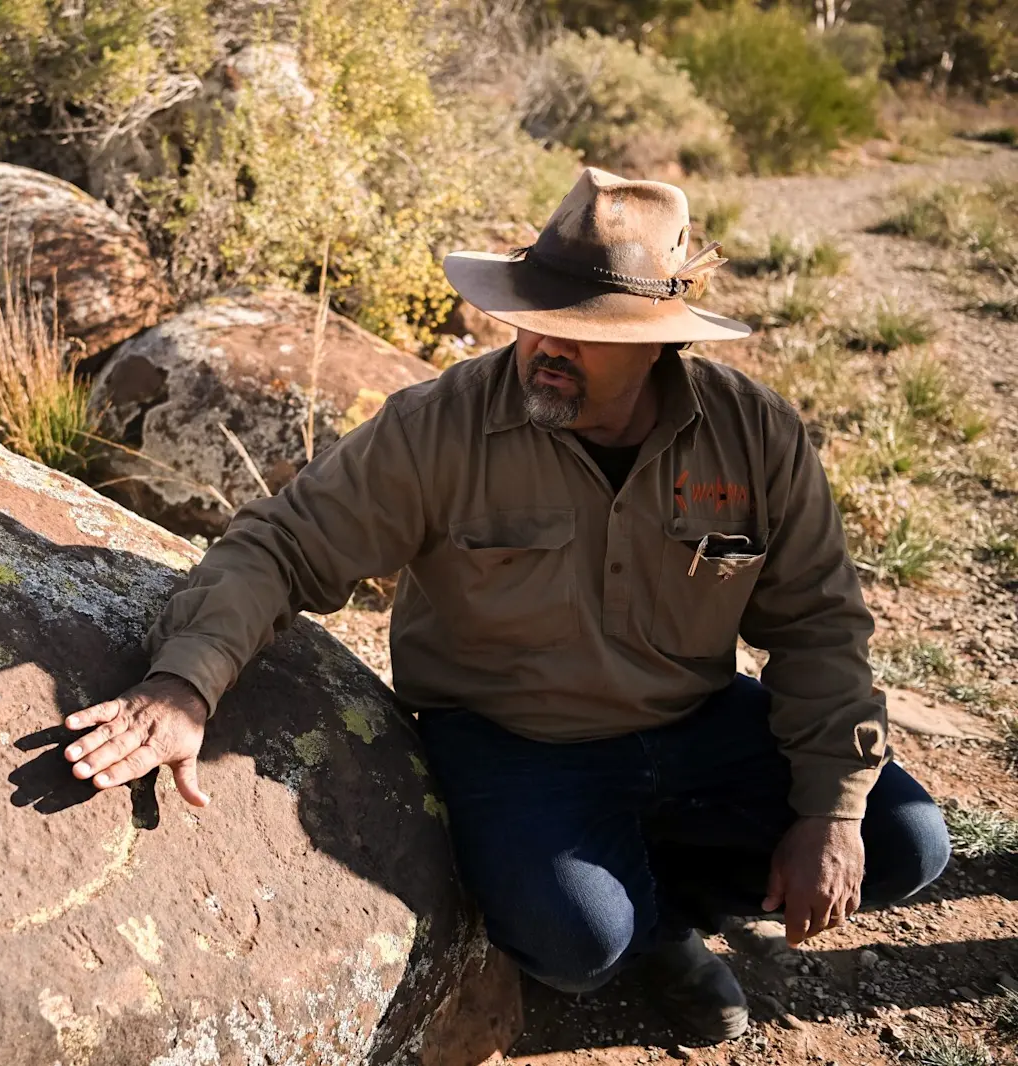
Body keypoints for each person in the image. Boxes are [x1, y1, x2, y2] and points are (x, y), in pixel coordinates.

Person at [59, 168, 951, 1043]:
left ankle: (667, 903)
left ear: (658, 341)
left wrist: (828, 813)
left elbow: (819, 627)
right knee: (578, 942)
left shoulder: (753, 435)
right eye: (531, 320)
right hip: (512, 739)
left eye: (580, 330)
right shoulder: (438, 427)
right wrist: (185, 686)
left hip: (697, 720)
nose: (542, 346)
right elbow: (281, 546)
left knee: (906, 841)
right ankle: (651, 935)